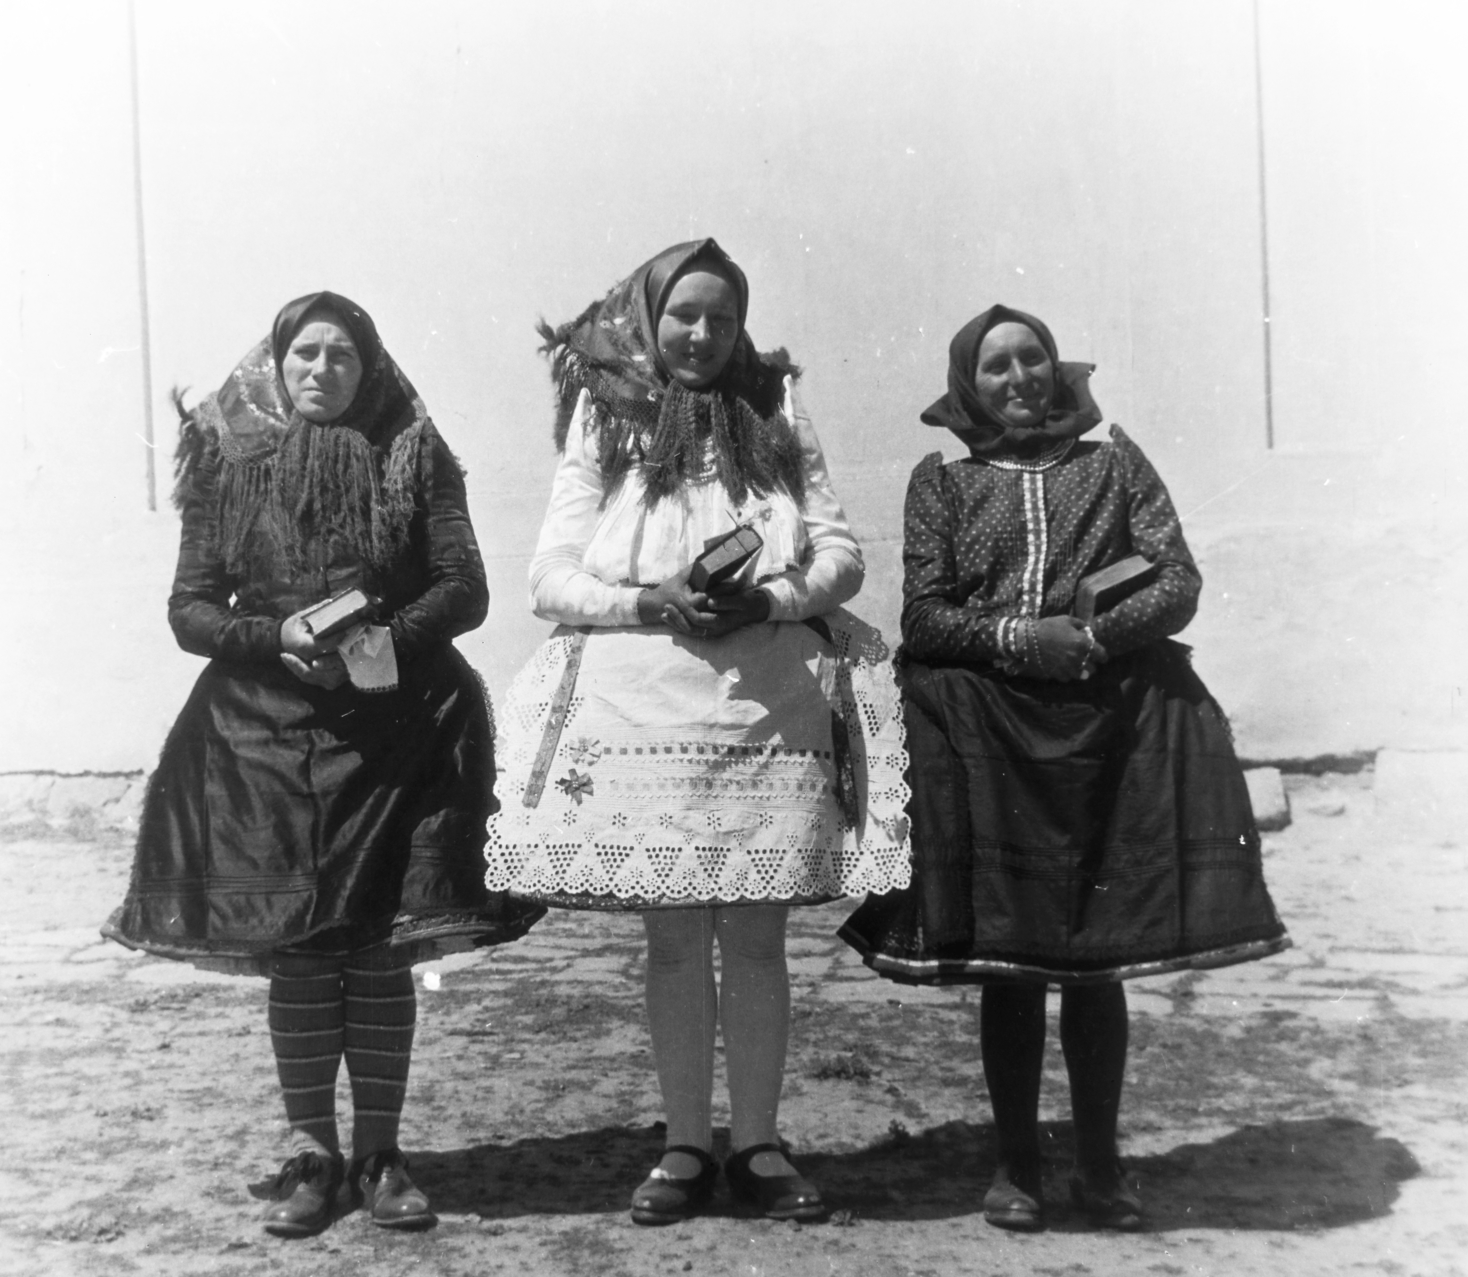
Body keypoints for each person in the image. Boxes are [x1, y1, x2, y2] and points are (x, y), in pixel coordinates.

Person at [486, 240, 910, 1225]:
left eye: (721, 317)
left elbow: (838, 549)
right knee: (675, 940)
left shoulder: (772, 405)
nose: (702, 334)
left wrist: (768, 596)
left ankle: (757, 1142)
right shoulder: (603, 407)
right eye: (684, 313)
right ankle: (683, 1143)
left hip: (764, 703)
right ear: (649, 312)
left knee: (756, 940)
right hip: (644, 707)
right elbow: (550, 572)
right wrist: (653, 601)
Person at [840, 304, 1289, 1232]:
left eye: (1031, 359)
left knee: (1097, 958)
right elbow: (924, 614)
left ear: (1057, 369)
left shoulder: (1113, 464)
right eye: (996, 366)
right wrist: (1017, 637)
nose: (1018, 378)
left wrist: (1088, 637)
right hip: (994, 732)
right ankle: (1016, 1164)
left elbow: (1176, 579)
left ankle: (1100, 1160)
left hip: (1109, 726)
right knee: (1014, 961)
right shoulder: (943, 484)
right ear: (971, 383)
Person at [104, 291, 542, 1239]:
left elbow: (464, 585)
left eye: (342, 356)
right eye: (305, 353)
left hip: (400, 732)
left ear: (370, 367)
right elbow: (189, 607)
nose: (321, 372)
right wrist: (273, 635)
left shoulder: (412, 451)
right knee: (302, 953)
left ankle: (380, 1154)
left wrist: (387, 634)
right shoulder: (228, 462)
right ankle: (312, 1154)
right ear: (277, 361)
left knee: (379, 948)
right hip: (261, 734)